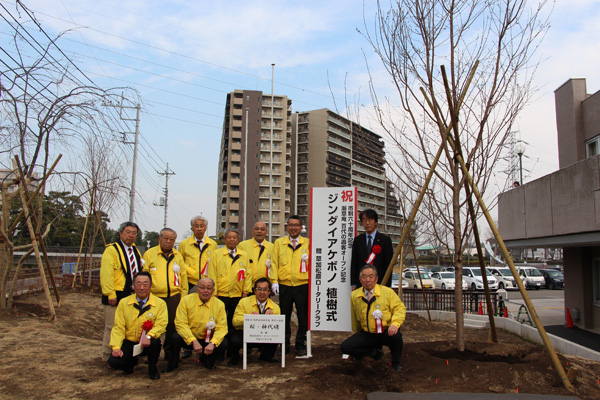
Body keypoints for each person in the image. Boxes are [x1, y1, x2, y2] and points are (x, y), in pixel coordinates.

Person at [341, 264, 406, 372]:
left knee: (396, 338)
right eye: (364, 277)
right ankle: (374, 355)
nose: (367, 280)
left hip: (385, 331)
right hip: (368, 333)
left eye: (371, 276)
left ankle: (396, 363)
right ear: (360, 280)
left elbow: (400, 308)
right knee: (346, 346)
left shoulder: (387, 292)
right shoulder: (355, 295)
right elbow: (354, 316)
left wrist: (395, 324)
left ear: (376, 279)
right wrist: (356, 332)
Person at [108, 271, 167, 380]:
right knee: (113, 362)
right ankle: (130, 364)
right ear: (133, 286)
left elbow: (161, 324)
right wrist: (116, 347)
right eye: (138, 284)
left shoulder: (160, 303)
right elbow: (118, 327)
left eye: (145, 284)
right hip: (130, 342)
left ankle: (152, 369)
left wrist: (149, 336)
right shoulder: (124, 303)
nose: (142, 288)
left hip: (147, 342)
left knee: (155, 343)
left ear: (150, 286)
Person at [162, 278, 228, 371]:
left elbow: (222, 328)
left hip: (207, 340)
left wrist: (213, 343)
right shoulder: (186, 300)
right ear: (197, 289)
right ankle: (173, 363)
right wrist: (193, 340)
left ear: (213, 291)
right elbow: (180, 323)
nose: (205, 291)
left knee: (223, 342)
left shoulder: (220, 305)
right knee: (174, 338)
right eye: (202, 287)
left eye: (209, 288)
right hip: (190, 339)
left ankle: (207, 359)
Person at [143, 228, 188, 360]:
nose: (169, 242)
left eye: (172, 239)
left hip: (174, 297)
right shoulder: (149, 254)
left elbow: (183, 278)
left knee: (173, 327)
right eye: (166, 238)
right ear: (159, 239)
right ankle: (150, 355)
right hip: (154, 297)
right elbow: (144, 276)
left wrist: (183, 297)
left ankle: (170, 354)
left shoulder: (178, 256)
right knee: (151, 326)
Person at [100, 221, 142, 362]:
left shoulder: (135, 251)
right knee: (112, 326)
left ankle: (126, 355)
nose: (131, 236)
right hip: (116, 294)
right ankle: (107, 356)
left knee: (129, 327)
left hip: (131, 294)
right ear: (121, 233)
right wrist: (110, 294)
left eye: (134, 233)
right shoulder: (112, 250)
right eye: (128, 232)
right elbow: (106, 274)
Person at [272, 215, 310, 356]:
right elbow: (274, 263)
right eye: (290, 225)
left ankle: (300, 345)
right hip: (285, 285)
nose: (293, 228)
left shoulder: (308, 243)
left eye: (296, 225)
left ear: (301, 227)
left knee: (303, 317)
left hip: (302, 285)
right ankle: (284, 344)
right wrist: (274, 281)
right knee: (284, 317)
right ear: (287, 227)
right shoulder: (279, 243)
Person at [208, 229, 251, 342]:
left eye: (234, 237)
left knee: (233, 322)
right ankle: (219, 346)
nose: (231, 239)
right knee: (219, 322)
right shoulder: (216, 254)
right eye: (229, 237)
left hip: (237, 295)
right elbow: (212, 274)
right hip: (220, 295)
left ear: (238, 240)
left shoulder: (244, 255)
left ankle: (232, 349)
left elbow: (248, 274)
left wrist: (245, 292)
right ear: (225, 239)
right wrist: (214, 292)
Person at [228, 277, 281, 365]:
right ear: (254, 290)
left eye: (265, 289)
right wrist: (249, 319)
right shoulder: (244, 302)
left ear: (269, 292)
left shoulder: (275, 307)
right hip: (245, 333)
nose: (262, 292)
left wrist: (272, 319)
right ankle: (235, 356)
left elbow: (278, 327)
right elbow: (235, 321)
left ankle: (266, 356)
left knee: (277, 336)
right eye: (259, 289)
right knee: (234, 339)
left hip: (264, 335)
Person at [350, 209, 394, 289]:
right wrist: (353, 283)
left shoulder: (385, 240)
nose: (367, 223)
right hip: (362, 285)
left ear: (376, 222)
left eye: (370, 220)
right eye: (364, 220)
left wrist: (387, 286)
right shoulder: (357, 240)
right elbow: (354, 263)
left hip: (380, 284)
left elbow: (389, 265)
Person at [179, 215, 218, 293]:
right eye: (196, 226)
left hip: (207, 284)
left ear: (205, 228)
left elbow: (215, 264)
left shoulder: (213, 244)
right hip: (191, 283)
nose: (199, 229)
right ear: (192, 228)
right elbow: (180, 263)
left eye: (202, 226)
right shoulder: (184, 244)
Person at [238, 221, 276, 291]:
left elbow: (274, 267)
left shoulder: (272, 247)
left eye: (262, 229)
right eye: (256, 229)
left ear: (266, 232)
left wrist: (273, 284)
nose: (259, 231)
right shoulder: (242, 246)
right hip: (247, 287)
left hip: (264, 288)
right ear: (252, 231)